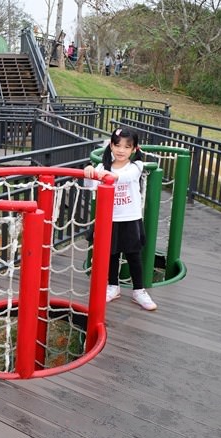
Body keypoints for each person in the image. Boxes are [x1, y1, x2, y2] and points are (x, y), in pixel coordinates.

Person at [83, 127, 157, 311]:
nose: (121, 150)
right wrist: (89, 171)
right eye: (117, 145)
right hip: (109, 218)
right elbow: (91, 186)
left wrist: (109, 175)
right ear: (111, 145)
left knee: (133, 255)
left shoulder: (136, 166)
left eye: (127, 146)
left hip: (130, 218)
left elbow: (125, 177)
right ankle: (113, 286)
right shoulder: (102, 167)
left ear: (134, 149)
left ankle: (139, 290)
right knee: (111, 254)